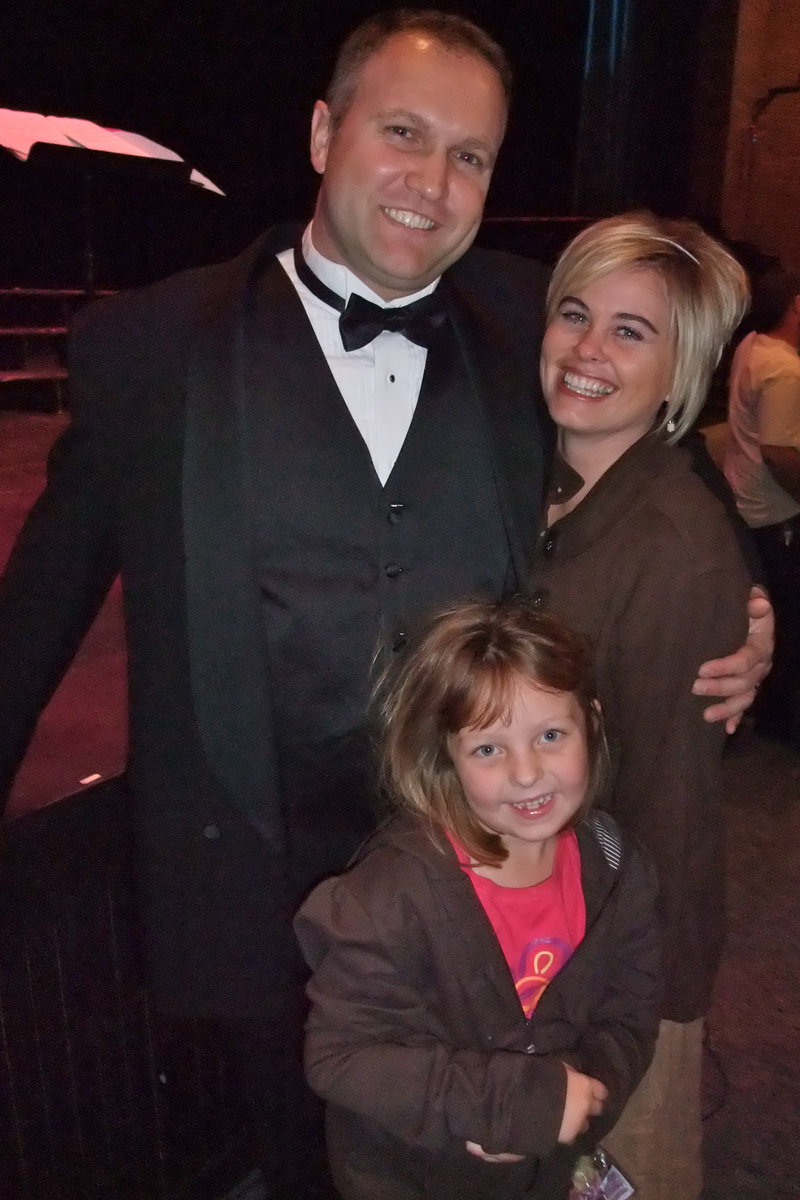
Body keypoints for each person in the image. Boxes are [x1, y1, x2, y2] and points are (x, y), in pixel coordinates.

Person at [0, 10, 771, 1198]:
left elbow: (649, 445)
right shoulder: (154, 351)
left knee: (485, 1149)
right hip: (255, 874)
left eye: (469, 155)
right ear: (322, 131)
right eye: (401, 132)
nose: (433, 182)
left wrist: (747, 601)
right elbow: (38, 606)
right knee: (296, 1146)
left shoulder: (526, 320)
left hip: (490, 857)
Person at [295, 600, 661, 1200]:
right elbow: (340, 1056)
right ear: (449, 757)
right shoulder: (390, 898)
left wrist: (585, 1089)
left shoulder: (618, 868)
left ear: (591, 724)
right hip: (416, 1179)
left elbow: (631, 1014)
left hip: (546, 1173)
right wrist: (500, 1104)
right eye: (489, 749)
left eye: (550, 735)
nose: (526, 773)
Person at [534, 212, 753, 1200]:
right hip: (537, 934)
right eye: (574, 314)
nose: (586, 349)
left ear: (681, 371)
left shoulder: (670, 543)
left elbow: (660, 808)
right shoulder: (543, 483)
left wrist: (624, 1008)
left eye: (630, 331)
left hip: (611, 962)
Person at [724, 266, 800, 748]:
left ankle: (770, 711)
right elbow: (780, 454)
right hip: (776, 514)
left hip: (746, 504)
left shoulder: (752, 345)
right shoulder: (786, 369)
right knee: (789, 621)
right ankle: (783, 721)